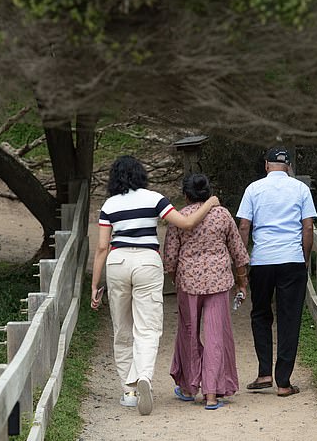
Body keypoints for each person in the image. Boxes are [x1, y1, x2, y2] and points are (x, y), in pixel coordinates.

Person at [90, 155, 220, 416]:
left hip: (117, 263)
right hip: (147, 263)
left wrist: (95, 285)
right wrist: (209, 204)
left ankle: (128, 390)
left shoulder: (109, 204)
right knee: (147, 328)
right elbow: (186, 223)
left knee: (122, 327)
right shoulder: (154, 198)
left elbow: (102, 247)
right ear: (141, 175)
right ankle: (145, 377)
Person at [163, 173, 250, 410]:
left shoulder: (179, 217)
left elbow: (170, 257)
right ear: (208, 190)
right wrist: (242, 282)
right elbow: (238, 252)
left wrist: (176, 278)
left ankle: (189, 387)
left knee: (188, 333)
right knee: (216, 335)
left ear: (186, 193)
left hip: (188, 282)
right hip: (219, 281)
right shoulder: (222, 215)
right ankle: (212, 394)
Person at [236, 147, 317, 397]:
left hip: (262, 260)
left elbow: (244, 226)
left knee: (260, 314)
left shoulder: (253, 189)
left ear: (266, 165)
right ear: (289, 166)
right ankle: (283, 382)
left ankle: (263, 374)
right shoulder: (301, 189)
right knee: (289, 318)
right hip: (291, 259)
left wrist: (244, 260)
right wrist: (304, 259)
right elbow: (308, 227)